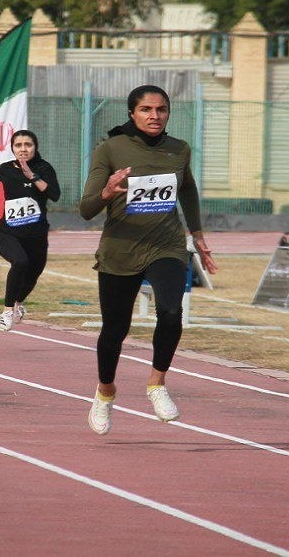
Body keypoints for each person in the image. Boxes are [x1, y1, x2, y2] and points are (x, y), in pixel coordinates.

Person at [78, 85, 217, 435]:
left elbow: (187, 189)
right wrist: (107, 192)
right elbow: (85, 208)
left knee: (171, 312)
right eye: (146, 109)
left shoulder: (179, 150)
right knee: (115, 329)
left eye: (161, 109)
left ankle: (157, 384)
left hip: (166, 245)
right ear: (132, 113)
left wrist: (198, 237)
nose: (154, 116)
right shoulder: (110, 149)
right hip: (120, 249)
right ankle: (105, 392)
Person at [0, 129, 61, 331]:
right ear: (12, 148)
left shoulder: (44, 168)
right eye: (18, 145)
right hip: (7, 233)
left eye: (28, 145)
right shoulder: (6, 169)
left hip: (36, 236)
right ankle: (7, 311)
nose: (23, 149)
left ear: (35, 147)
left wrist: (32, 176)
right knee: (20, 262)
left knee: (34, 272)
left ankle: (18, 303)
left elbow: (54, 194)